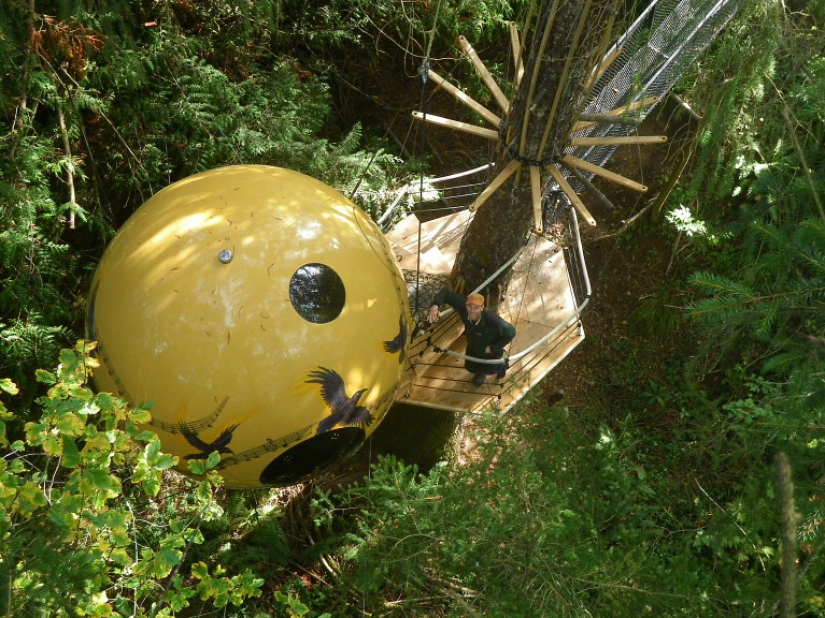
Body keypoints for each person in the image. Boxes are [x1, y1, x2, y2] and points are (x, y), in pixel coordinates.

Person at [427, 289, 516, 386]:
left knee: (489, 367)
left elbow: (511, 332)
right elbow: (445, 293)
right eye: (470, 306)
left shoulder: (493, 320)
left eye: (476, 308)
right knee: (470, 367)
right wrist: (435, 306)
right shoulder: (463, 307)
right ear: (466, 305)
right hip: (473, 346)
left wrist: (494, 348)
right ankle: (481, 371)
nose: (472, 311)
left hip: (489, 352)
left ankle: (501, 366)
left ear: (482, 308)